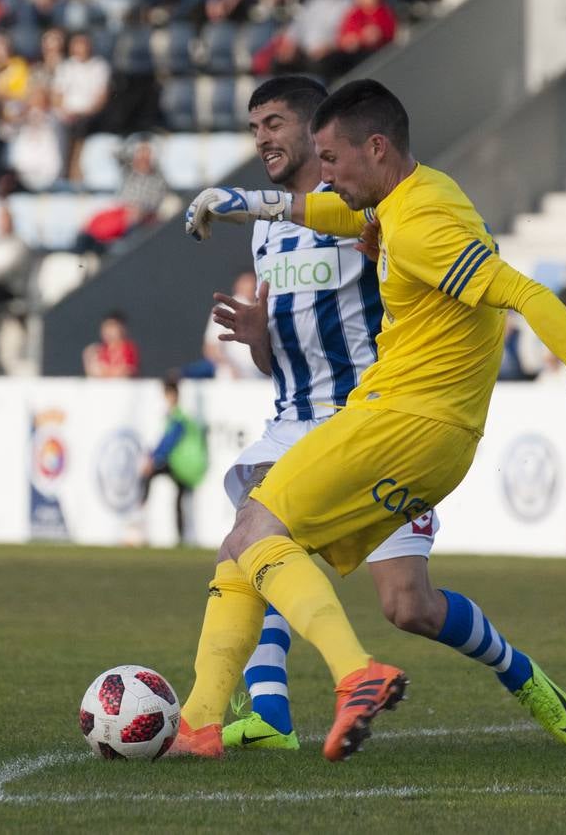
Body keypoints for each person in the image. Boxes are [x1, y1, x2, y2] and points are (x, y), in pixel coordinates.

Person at [177, 78, 566, 760]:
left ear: (374, 148)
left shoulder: (425, 228)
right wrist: (252, 206)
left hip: (394, 421)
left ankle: (352, 676)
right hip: (424, 433)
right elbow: (345, 219)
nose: (330, 177)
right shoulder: (411, 197)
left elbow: (523, 290)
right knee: (316, 573)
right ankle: (201, 724)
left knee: (258, 535)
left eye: (334, 160)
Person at [196, 76, 435, 751]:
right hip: (290, 418)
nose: (262, 139)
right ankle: (263, 712)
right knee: (247, 546)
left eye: (273, 123)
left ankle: (513, 671)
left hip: (363, 420)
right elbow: (282, 355)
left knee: (410, 605)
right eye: (253, 129)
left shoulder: (359, 208)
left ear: (313, 129)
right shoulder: (269, 235)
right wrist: (262, 335)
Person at [141, 377, 210, 545]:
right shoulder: (180, 415)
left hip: (183, 466)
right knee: (179, 501)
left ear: (171, 395)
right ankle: (181, 539)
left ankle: (139, 518)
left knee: (149, 477)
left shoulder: (178, 417)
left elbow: (169, 441)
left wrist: (152, 458)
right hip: (187, 466)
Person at [52, 32, 112, 183]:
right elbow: (57, 96)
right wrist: (64, 112)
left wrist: (83, 113)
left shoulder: (100, 67)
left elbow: (101, 98)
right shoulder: (65, 67)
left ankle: (75, 170)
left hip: (89, 114)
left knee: (81, 127)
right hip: (67, 114)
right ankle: (61, 171)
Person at [82, 311, 140, 378]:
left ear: (122, 328)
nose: (108, 331)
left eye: (112, 326)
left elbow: (127, 372)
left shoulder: (128, 348)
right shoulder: (100, 350)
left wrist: (104, 371)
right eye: (106, 327)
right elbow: (93, 373)